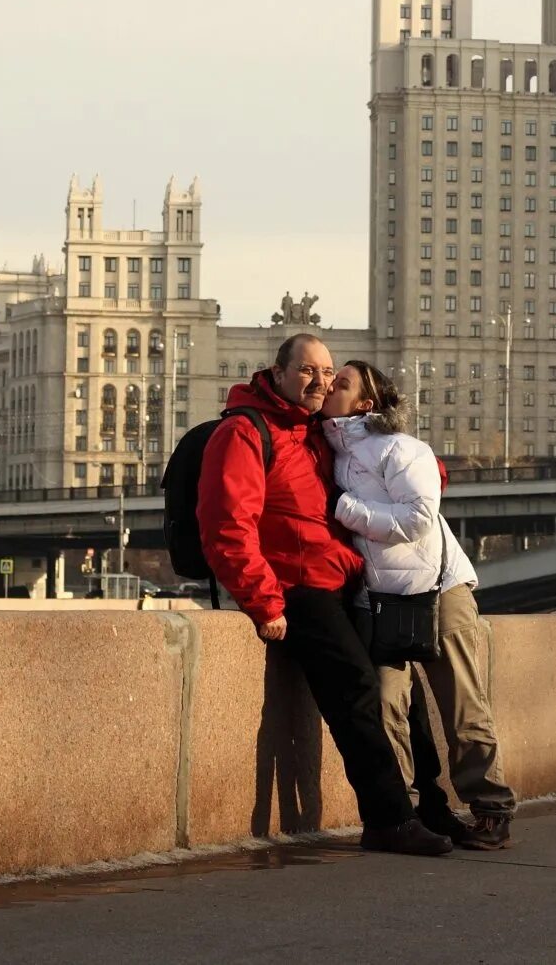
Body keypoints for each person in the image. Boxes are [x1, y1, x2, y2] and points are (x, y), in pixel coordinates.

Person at [196, 334, 452, 857]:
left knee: (399, 683)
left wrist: (421, 469)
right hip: (296, 588)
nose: (321, 381)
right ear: (279, 372)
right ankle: (388, 820)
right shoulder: (246, 432)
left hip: (344, 581)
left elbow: (385, 459)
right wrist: (264, 602)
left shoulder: (314, 431)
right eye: (308, 371)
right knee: (357, 689)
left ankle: (434, 807)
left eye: (328, 372)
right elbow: (227, 526)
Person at [321, 358, 517, 851]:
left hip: (439, 591)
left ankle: (491, 807)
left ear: (365, 403)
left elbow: (419, 518)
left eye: (339, 383)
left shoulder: (402, 448)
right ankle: (403, 812)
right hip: (380, 599)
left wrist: (346, 509)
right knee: (385, 704)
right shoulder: (328, 451)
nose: (328, 386)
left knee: (461, 703)